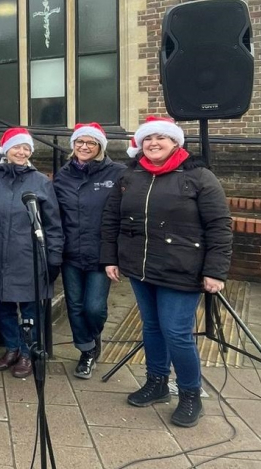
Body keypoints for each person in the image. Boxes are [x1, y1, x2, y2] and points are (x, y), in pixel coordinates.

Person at [101, 116, 232, 428]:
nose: (153, 143)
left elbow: (219, 225)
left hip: (182, 269)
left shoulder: (198, 176)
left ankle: (190, 394)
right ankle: (157, 382)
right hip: (141, 267)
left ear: (175, 142)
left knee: (176, 332)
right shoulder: (131, 175)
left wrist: (215, 270)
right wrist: (111, 258)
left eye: (161, 138)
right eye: (147, 139)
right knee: (152, 327)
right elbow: (111, 219)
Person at [0, 128, 63, 379]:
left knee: (30, 310)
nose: (22, 151)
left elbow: (53, 223)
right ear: (6, 150)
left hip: (28, 257)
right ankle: (12, 348)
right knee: (3, 307)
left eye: (26, 148)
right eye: (17, 146)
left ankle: (29, 352)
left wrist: (53, 256)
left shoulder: (40, 181)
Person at [53, 123, 126, 379]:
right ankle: (86, 351)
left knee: (93, 308)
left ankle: (93, 338)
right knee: (74, 306)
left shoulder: (118, 173)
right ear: (73, 146)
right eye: (79, 142)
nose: (84, 147)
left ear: (100, 147)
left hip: (101, 254)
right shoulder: (62, 174)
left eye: (91, 143)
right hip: (71, 252)